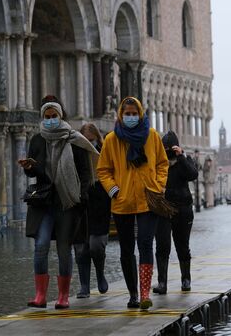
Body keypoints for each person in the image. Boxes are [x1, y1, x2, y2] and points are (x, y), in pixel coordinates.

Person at [19, 96, 99, 309]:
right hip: (44, 201)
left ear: (61, 116)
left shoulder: (74, 139)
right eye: (47, 117)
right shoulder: (37, 140)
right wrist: (29, 167)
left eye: (54, 116)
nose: (51, 120)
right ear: (42, 117)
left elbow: (84, 172)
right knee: (41, 245)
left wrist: (80, 197)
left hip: (68, 201)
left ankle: (63, 296)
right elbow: (36, 172)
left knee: (65, 248)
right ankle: (40, 295)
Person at [97, 97, 169, 310]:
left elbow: (163, 163)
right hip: (122, 201)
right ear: (121, 114)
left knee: (146, 244)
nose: (130, 117)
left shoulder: (152, 136)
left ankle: (145, 293)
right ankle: (133, 294)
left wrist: (159, 185)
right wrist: (113, 190)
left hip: (149, 198)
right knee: (126, 249)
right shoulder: (111, 140)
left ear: (140, 114)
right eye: (126, 113)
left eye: (133, 113)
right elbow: (103, 170)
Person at [153, 131, 198, 295]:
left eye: (169, 148)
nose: (167, 152)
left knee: (182, 246)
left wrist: (181, 157)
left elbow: (193, 174)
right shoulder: (159, 162)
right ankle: (162, 283)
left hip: (183, 209)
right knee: (162, 246)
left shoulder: (185, 161)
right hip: (163, 209)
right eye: (164, 149)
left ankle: (186, 279)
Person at [73, 123, 111, 298]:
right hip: (80, 203)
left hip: (100, 203)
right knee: (80, 248)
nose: (89, 144)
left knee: (96, 246)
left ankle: (100, 273)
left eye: (91, 140)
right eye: (85, 141)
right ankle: (84, 286)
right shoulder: (75, 153)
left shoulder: (104, 153)